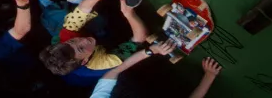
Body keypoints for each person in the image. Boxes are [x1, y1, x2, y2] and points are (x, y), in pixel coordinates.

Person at [92, 49, 222, 98]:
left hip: (154, 65)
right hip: (179, 82)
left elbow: (116, 70)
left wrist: (150, 51)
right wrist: (209, 76)